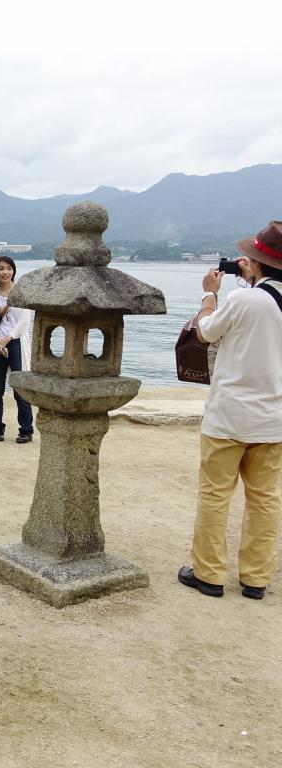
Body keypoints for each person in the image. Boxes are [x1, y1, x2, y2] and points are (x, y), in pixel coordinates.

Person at [178, 220, 282, 599]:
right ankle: (256, 578)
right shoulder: (260, 297)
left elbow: (205, 331)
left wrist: (209, 296)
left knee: (215, 495)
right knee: (265, 500)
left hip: (229, 415)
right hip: (274, 419)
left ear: (254, 264)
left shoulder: (244, 299)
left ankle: (209, 574)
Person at [0, 256, 34, 443]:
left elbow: (24, 322)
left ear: (13, 271)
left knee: (20, 388)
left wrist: (6, 340)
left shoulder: (22, 292)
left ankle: (26, 429)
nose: (5, 272)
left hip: (15, 342)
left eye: (8, 268)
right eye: (1, 269)